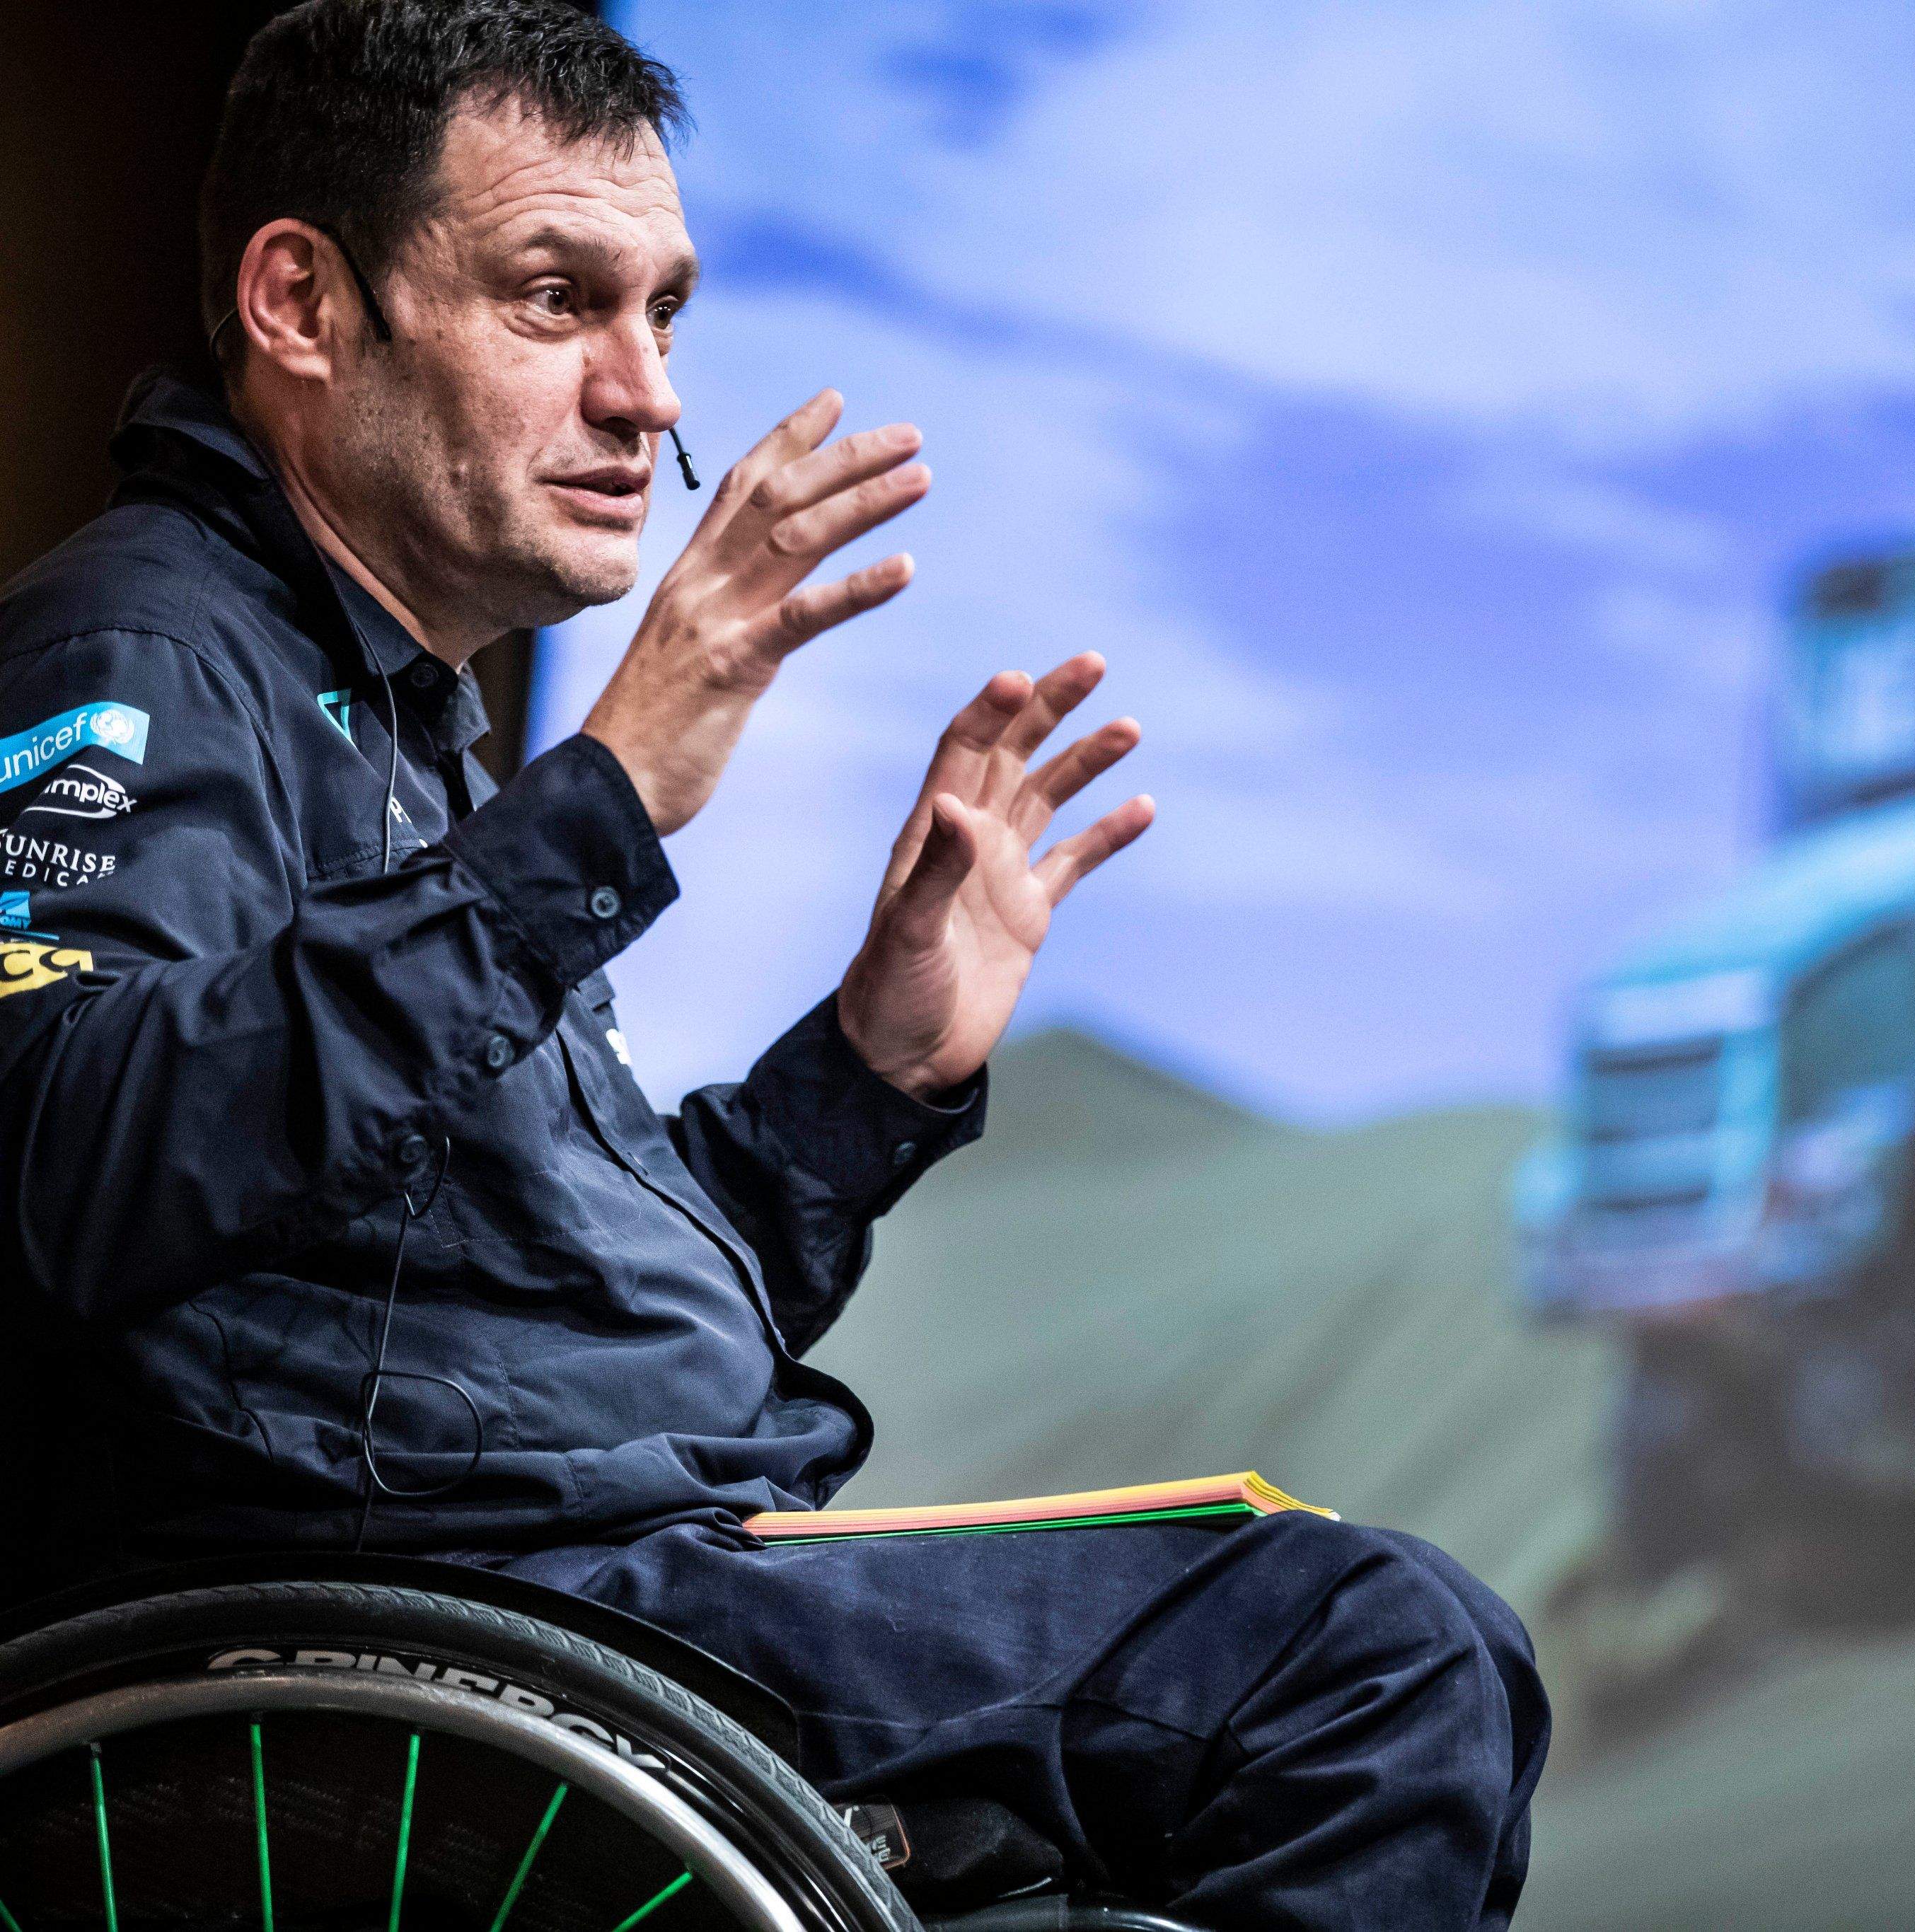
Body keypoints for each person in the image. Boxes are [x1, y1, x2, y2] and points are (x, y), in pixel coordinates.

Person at [0, 3, 1545, 1925]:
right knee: (1373, 1658)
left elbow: (565, 1301)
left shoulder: (393, 730)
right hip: (454, 1631)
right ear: (305, 303)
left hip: (598, 1579)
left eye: (667, 312)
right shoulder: (138, 662)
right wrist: (600, 809)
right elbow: (55, 1163)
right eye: (558, 299)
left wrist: (872, 1072)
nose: (647, 394)